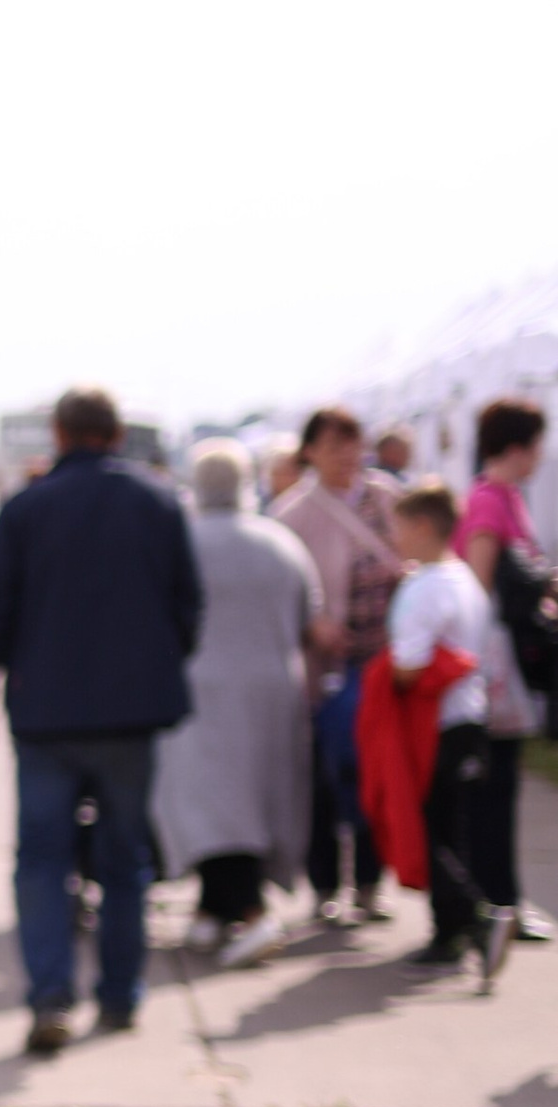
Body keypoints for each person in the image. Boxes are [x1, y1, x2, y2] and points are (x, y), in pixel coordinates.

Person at [0, 386, 201, 1057]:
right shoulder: (158, 503)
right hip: (131, 716)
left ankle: (50, 996)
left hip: (46, 717)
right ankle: (120, 994)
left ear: (59, 435)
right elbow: (188, 608)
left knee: (42, 861)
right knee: (125, 860)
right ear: (117, 434)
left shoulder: (25, 509)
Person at [153, 444, 320, 970]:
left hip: (198, 692)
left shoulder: (178, 540)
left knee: (212, 805)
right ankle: (215, 908)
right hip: (271, 690)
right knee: (254, 800)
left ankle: (247, 912)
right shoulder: (280, 543)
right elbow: (310, 618)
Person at [363, 476, 505, 980]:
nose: (394, 538)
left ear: (423, 525)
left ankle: (475, 918)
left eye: (398, 527)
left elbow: (410, 665)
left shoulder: (421, 587)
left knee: (423, 827)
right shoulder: (463, 577)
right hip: (469, 717)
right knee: (448, 827)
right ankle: (449, 934)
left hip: (433, 726)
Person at [274, 408, 401, 922]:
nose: (347, 455)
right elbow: (281, 593)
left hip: (387, 663)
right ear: (310, 452)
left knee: (375, 770)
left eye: (353, 443)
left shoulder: (388, 498)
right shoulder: (291, 515)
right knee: (327, 774)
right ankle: (325, 883)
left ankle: (370, 881)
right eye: (333, 446)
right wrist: (314, 624)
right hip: (328, 668)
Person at [457, 399, 551, 941]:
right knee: (491, 790)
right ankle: (496, 903)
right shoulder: (491, 503)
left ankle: (500, 903)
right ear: (517, 447)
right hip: (493, 673)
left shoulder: (503, 498)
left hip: (500, 668)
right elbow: (480, 589)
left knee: (497, 788)